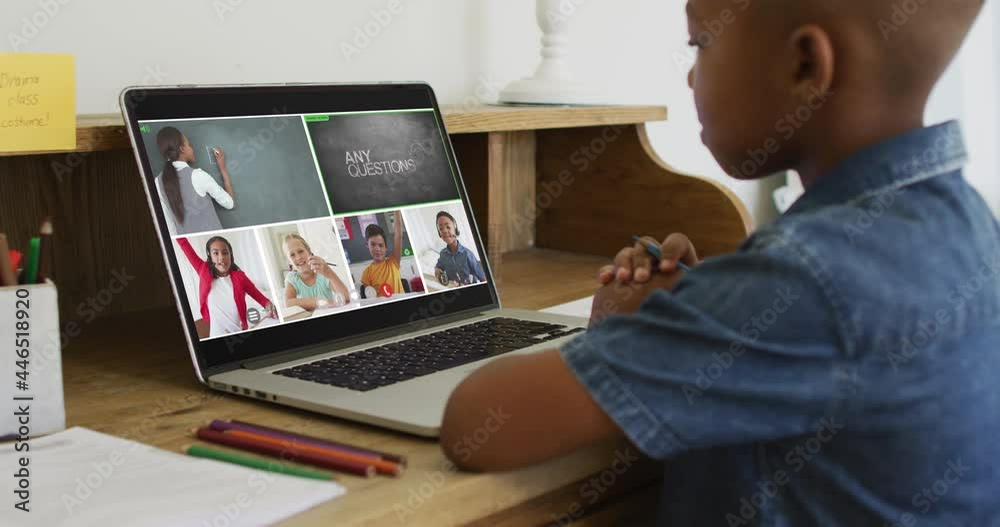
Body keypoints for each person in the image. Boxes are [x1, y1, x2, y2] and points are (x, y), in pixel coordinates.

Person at [440, 1, 1000, 525]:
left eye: (701, 44)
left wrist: (627, 329)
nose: (690, 77)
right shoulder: (967, 222)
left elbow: (476, 424)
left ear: (805, 64)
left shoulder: (806, 276)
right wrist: (709, 304)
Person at [177, 236, 276, 337]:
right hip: (216, 336)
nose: (221, 257)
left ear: (230, 255)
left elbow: (263, 300)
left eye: (225, 253)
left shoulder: (240, 277)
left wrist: (270, 307)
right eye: (216, 253)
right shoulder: (203, 270)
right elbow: (183, 243)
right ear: (210, 257)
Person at [155, 126, 236, 235]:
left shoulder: (157, 183)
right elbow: (230, 203)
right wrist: (222, 168)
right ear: (182, 149)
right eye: (189, 145)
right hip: (216, 238)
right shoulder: (198, 176)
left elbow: (171, 230)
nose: (192, 149)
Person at [282, 233, 350, 311]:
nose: (298, 257)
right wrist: (320, 302)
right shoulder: (292, 278)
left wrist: (329, 272)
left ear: (309, 252)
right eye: (292, 255)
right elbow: (288, 303)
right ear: (289, 261)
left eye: (300, 251)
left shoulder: (322, 272)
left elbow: (346, 298)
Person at [433, 211, 486, 286]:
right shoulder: (442, 254)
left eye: (448, 227)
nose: (444, 231)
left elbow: (483, 278)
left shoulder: (467, 254)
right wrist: (437, 270)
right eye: (441, 229)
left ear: (455, 229)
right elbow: (438, 266)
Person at [361, 211, 406, 298]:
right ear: (367, 245)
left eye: (381, 245)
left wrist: (397, 210)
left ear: (386, 247)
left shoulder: (393, 261)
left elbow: (398, 236)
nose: (377, 249)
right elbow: (370, 297)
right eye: (373, 244)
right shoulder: (366, 273)